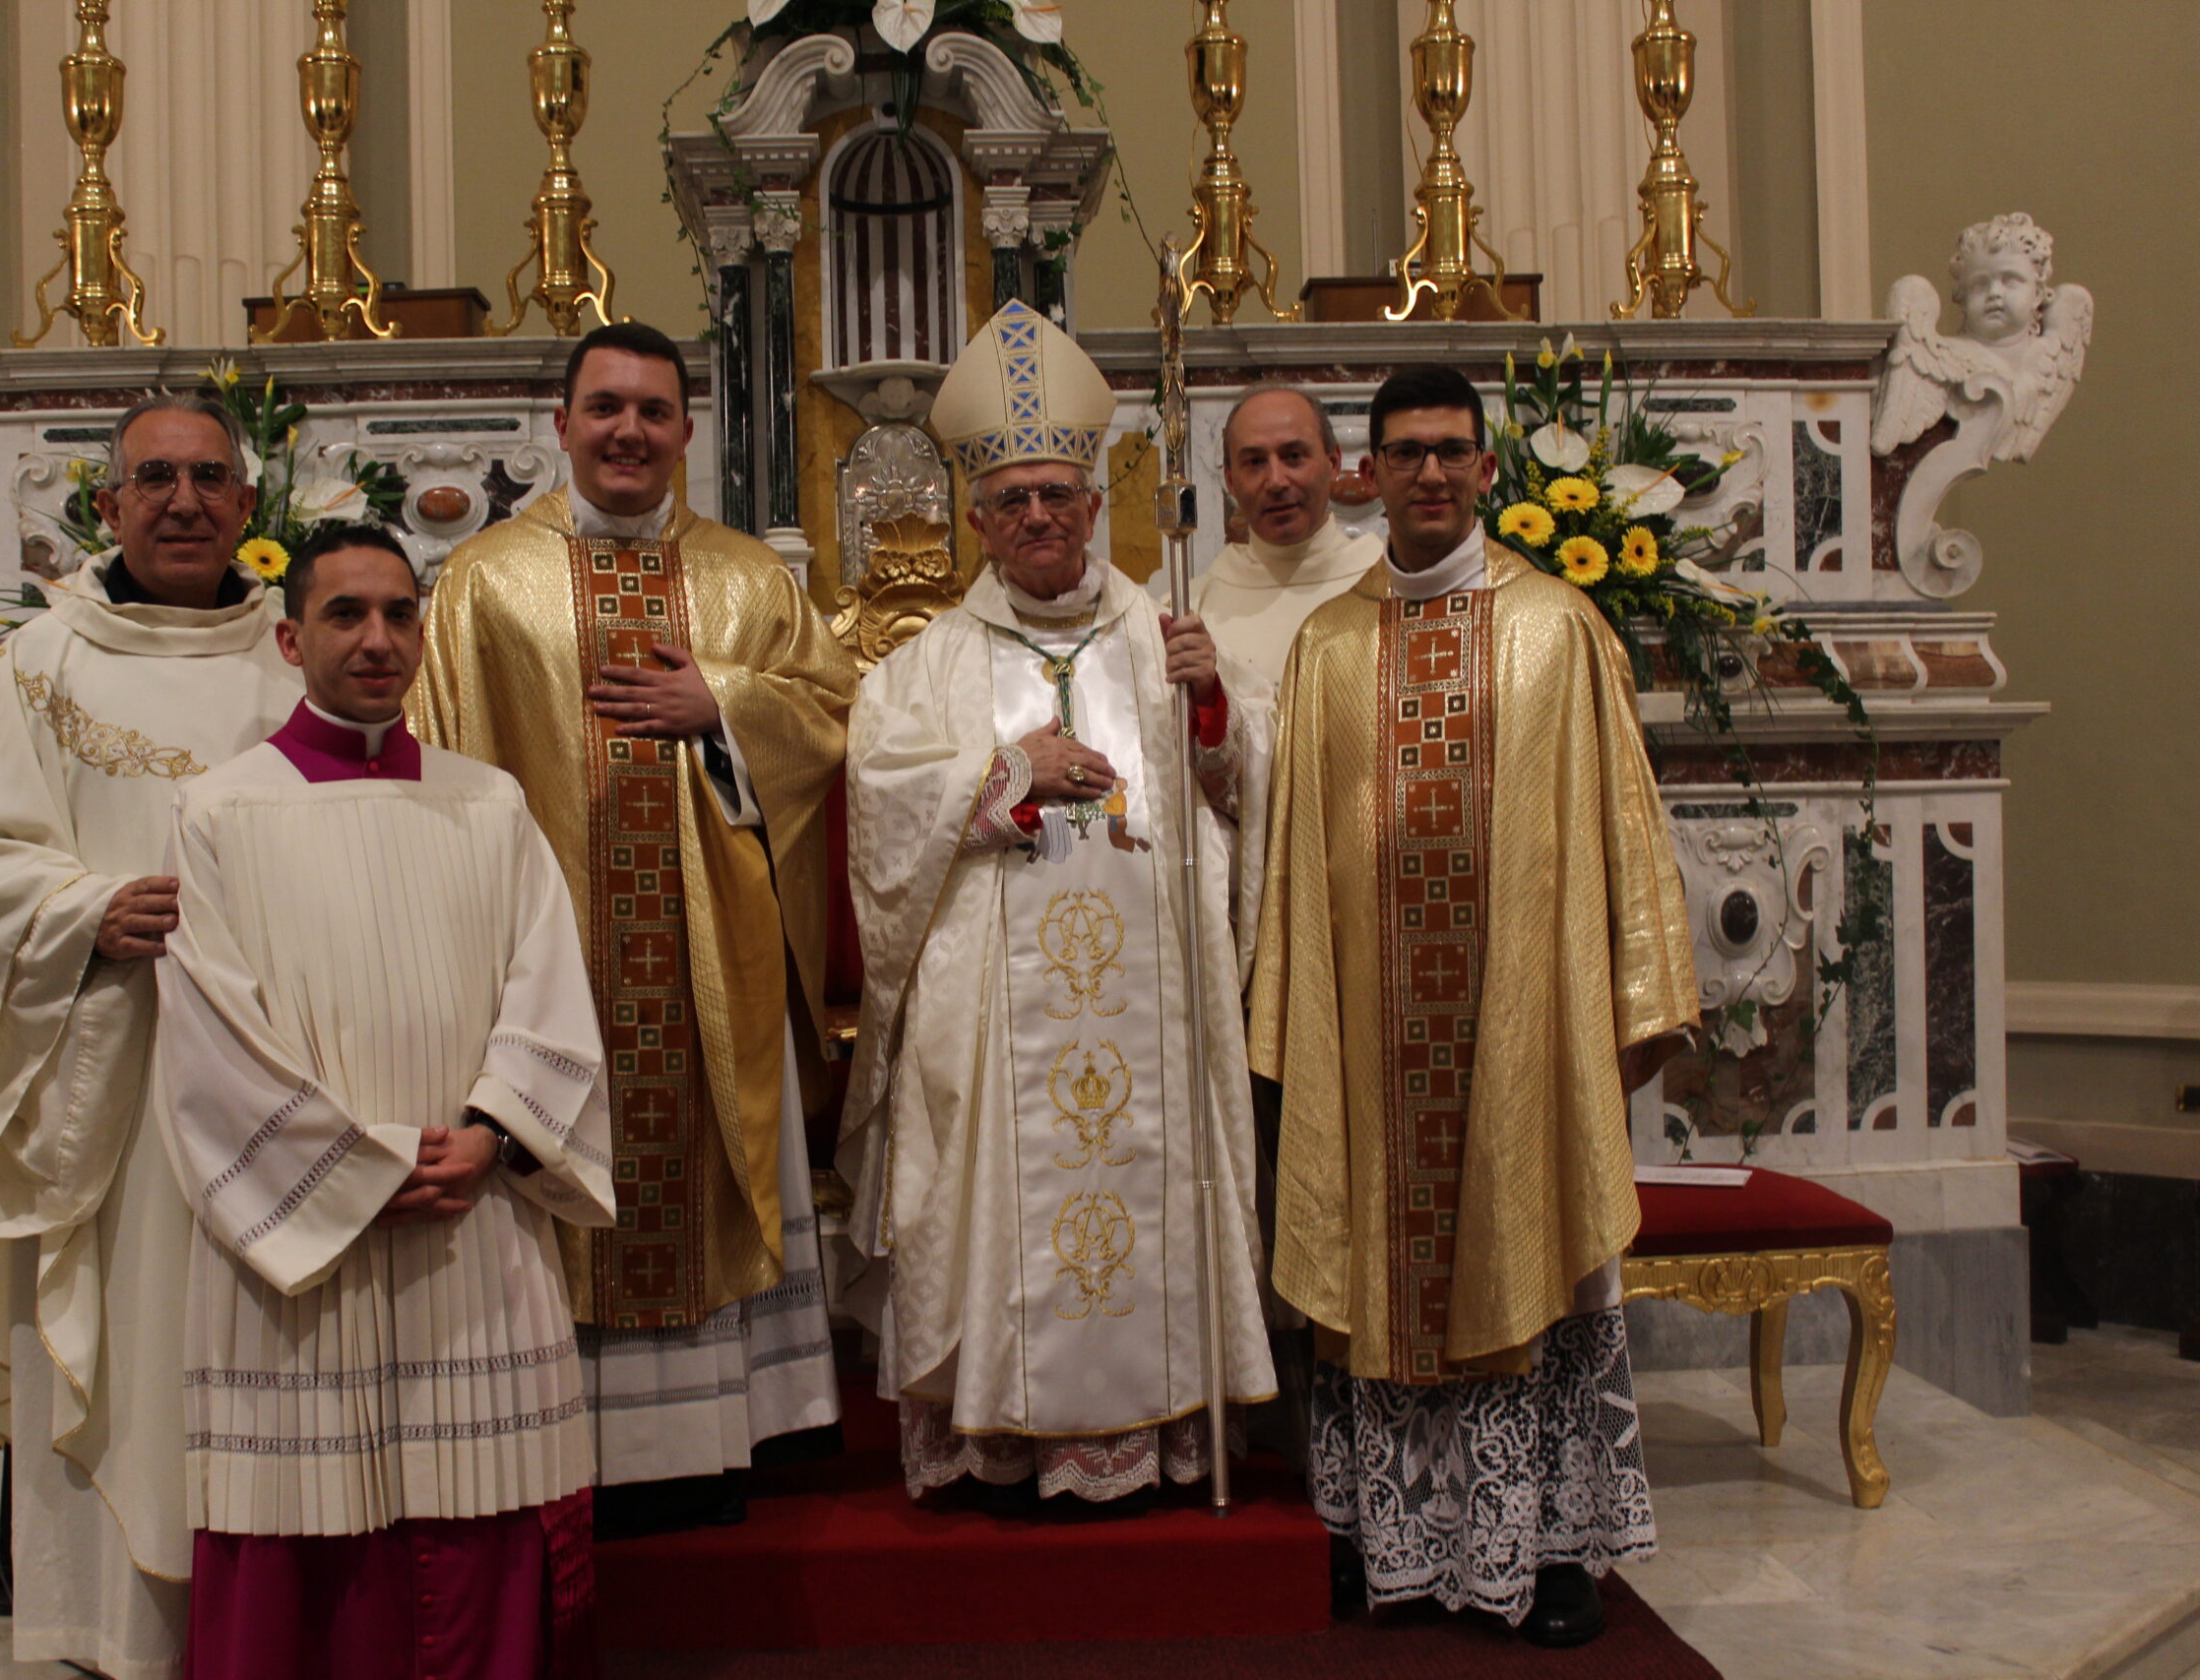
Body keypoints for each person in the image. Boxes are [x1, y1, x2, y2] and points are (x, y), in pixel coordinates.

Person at [1249, 363, 1698, 1645]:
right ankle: (1377, 1533)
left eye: (1451, 449)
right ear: (1368, 473)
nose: (1429, 471)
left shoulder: (1560, 627)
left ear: (1487, 469)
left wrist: (1628, 998)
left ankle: (1552, 1542)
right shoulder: (1329, 642)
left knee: (1531, 1247)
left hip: (1519, 1029)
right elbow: (1294, 862)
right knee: (1372, 1265)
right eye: (1404, 452)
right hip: (1376, 1038)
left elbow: (1620, 826)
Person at [0, 393, 300, 1679]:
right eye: (154, 478)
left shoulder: (304, 658)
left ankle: (267, 1621)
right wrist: (90, 908)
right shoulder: (36, 670)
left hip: (279, 1078)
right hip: (119, 1078)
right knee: (134, 1339)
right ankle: (124, 1630)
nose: (183, 501)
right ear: (107, 507)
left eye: (210, 478)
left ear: (247, 507)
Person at [409, 321, 854, 1536]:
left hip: (711, 954)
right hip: (545, 960)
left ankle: (711, 1438)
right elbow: (438, 759)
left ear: (686, 433)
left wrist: (729, 704)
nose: (628, 432)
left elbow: (830, 723)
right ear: (559, 425)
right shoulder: (483, 583)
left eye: (654, 412)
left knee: (705, 1159)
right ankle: (568, 1435)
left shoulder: (749, 581)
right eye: (605, 408)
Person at [839, 300, 1277, 1508]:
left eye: (1058, 494)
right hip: (989, 1026)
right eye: (1012, 499)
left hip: (1154, 1006)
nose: (1038, 515)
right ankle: (1002, 1432)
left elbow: (1248, 795)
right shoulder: (919, 667)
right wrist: (1000, 777)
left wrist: (1215, 718)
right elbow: (877, 807)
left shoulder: (1167, 635)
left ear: (1095, 504)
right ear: (975, 519)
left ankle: (1162, 1422)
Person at [157, 525, 612, 1680]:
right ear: (289, 635)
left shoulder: (489, 803)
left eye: (399, 614)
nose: (377, 639)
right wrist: (357, 1169)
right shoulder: (219, 812)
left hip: (471, 1213)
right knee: (308, 1526)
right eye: (347, 614)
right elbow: (210, 1037)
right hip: (308, 1251)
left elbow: (548, 986)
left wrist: (495, 1135)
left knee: (479, 1511)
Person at [1195, 384, 1383, 684]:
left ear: (1333, 463)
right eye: (1255, 462)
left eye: (1293, 456)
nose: (1276, 481)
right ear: (1230, 480)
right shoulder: (1194, 609)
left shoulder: (1387, 583)